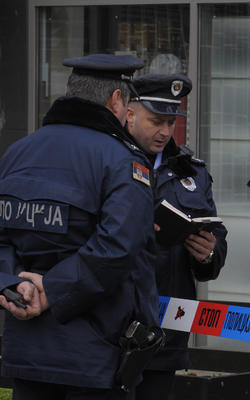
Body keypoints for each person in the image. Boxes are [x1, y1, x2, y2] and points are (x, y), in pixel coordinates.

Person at [0, 54, 161, 399]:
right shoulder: (123, 160)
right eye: (128, 103)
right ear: (116, 100)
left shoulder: (17, 152)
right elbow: (118, 247)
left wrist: (14, 285)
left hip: (27, 348)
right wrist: (53, 292)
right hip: (95, 353)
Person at [125, 73, 228, 400]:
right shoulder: (109, 160)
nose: (165, 132)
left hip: (167, 332)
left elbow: (217, 235)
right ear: (130, 112)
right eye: (156, 121)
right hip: (113, 328)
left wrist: (208, 253)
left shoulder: (191, 170)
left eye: (171, 122)